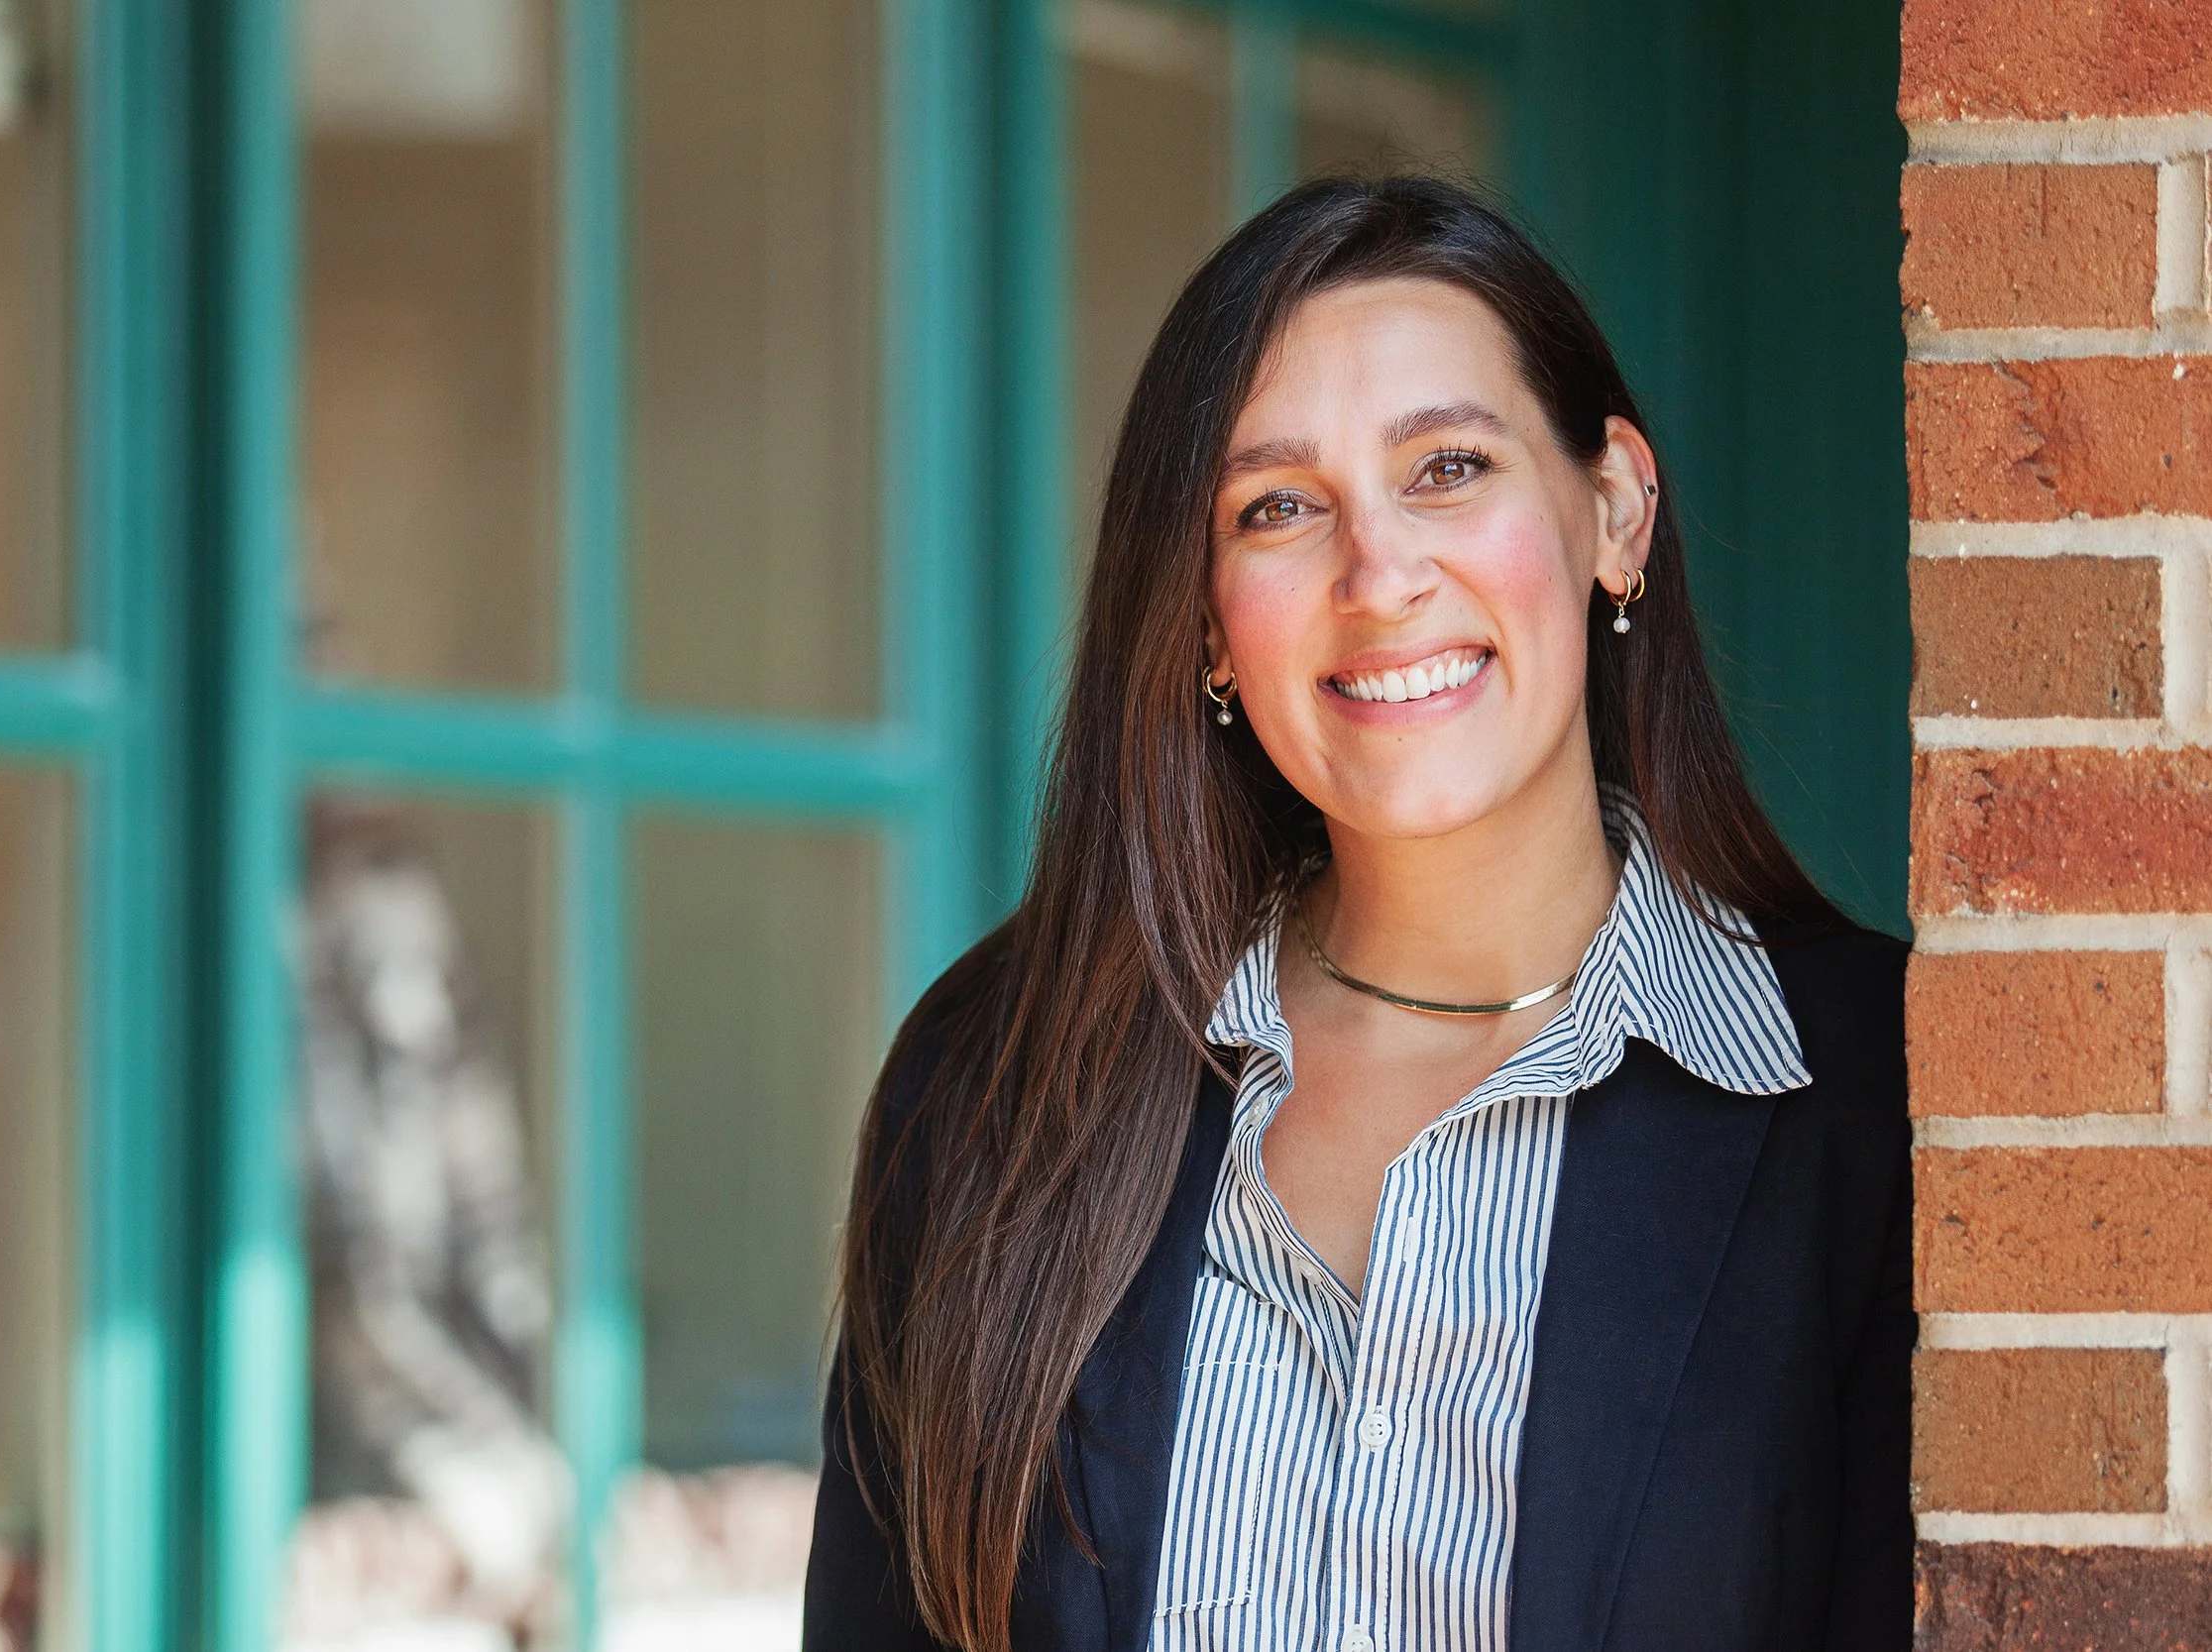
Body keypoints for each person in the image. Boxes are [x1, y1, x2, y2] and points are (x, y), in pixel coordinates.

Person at [801, 175, 1911, 1652]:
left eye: (1447, 467)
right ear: (1202, 616)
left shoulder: (1883, 1106)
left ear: (1615, 509)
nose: (1379, 574)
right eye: (1278, 507)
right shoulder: (1001, 1082)